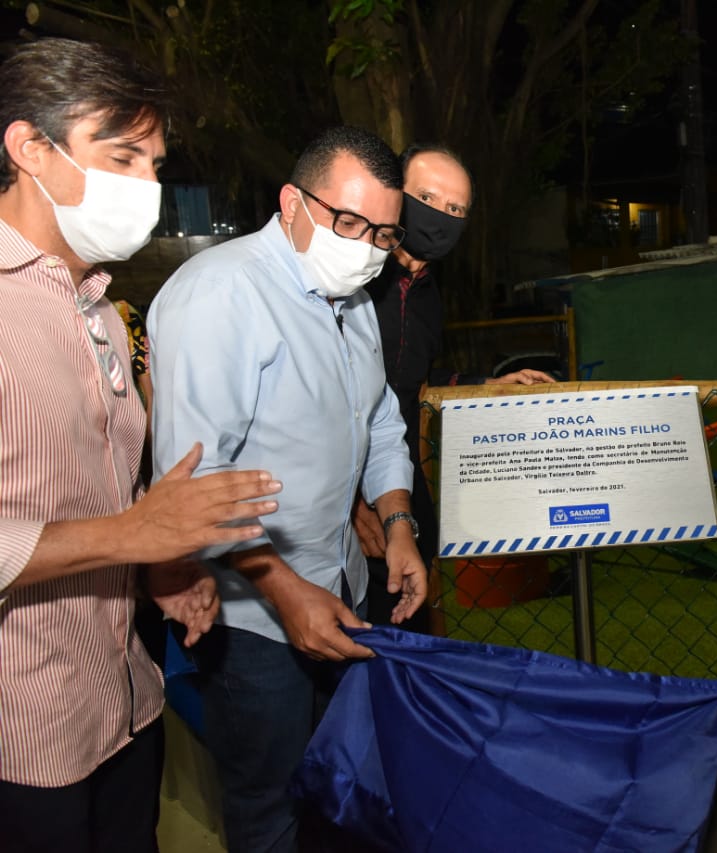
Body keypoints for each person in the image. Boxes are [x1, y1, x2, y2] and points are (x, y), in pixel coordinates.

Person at [0, 38, 281, 852]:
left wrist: (155, 564)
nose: (148, 188)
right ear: (29, 149)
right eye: (122, 156)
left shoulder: (99, 312)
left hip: (123, 707)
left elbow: (85, 500)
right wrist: (134, 534)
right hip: (23, 742)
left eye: (154, 164)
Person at [148, 125, 429, 853]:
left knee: (342, 791)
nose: (366, 245)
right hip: (255, 622)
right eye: (349, 222)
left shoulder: (355, 302)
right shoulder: (220, 294)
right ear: (292, 202)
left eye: (384, 232)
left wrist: (398, 525)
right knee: (269, 807)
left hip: (343, 588)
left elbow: (381, 424)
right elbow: (192, 483)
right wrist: (280, 586)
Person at [357, 143, 553, 633]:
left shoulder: (429, 294)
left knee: (414, 622)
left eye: (455, 209)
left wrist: (487, 383)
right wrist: (349, 507)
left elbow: (412, 381)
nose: (439, 216)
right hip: (340, 487)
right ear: (394, 194)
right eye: (426, 197)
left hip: (400, 475)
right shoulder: (352, 278)